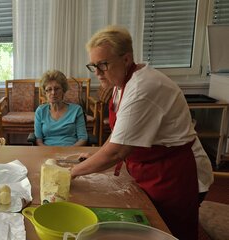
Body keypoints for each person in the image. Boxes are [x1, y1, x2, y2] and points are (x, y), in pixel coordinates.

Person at [70, 26, 212, 240]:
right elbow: (120, 131)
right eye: (93, 66)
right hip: (151, 170)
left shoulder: (142, 89)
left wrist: (72, 172)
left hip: (175, 175)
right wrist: (96, 153)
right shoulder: (120, 83)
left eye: (103, 65)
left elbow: (117, 152)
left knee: (167, 231)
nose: (97, 73)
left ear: (126, 59)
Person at [34, 70, 88, 146]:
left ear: (63, 90)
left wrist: (68, 153)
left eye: (57, 89)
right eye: (49, 89)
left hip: (71, 152)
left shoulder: (76, 110)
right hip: (47, 154)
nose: (53, 93)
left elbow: (83, 138)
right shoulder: (40, 111)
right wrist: (46, 153)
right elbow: (38, 140)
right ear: (45, 93)